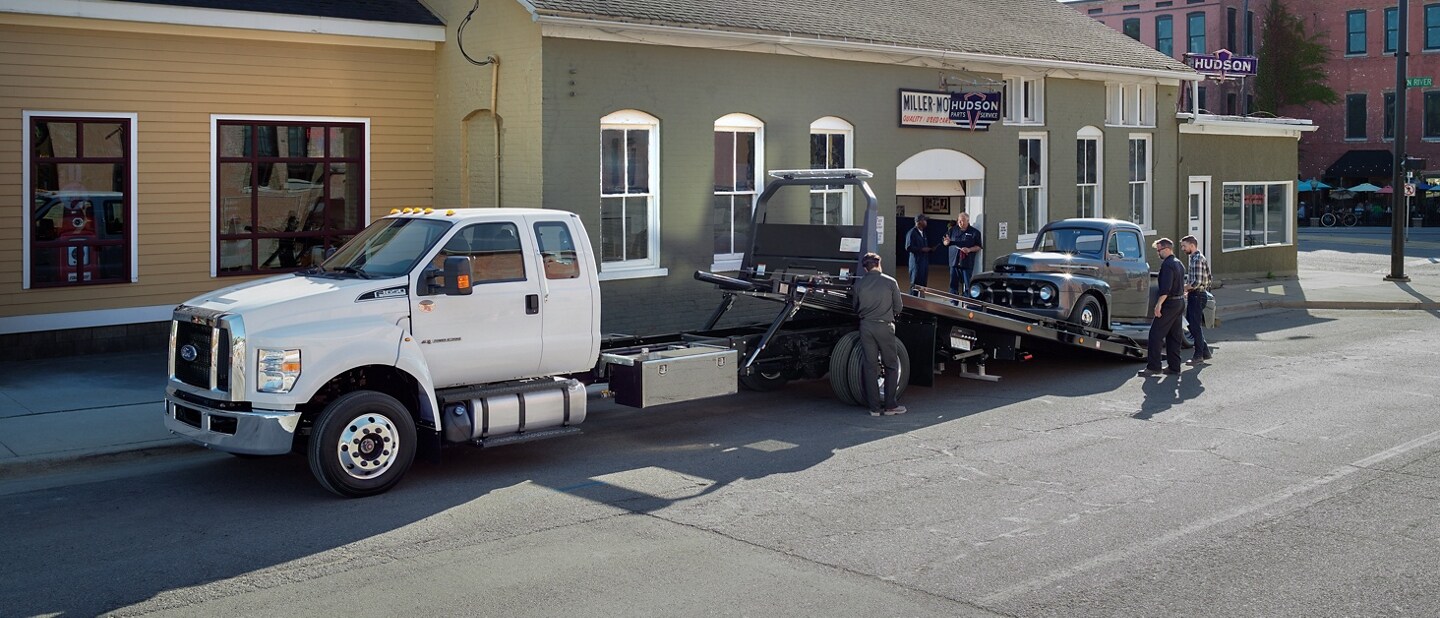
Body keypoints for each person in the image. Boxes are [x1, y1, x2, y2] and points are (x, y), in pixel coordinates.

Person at [852, 252, 906, 416]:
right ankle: (890, 405)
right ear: (879, 264)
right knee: (890, 365)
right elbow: (899, 307)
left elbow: (855, 307)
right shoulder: (890, 282)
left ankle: (874, 408)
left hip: (866, 326)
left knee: (870, 367)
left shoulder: (859, 284)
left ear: (865, 268)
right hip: (884, 326)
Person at [1139, 238, 1186, 377]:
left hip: (1169, 303)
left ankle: (1154, 367)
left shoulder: (1167, 265)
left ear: (1166, 249)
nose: (1158, 253)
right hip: (1179, 302)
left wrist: (1159, 305)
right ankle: (1174, 367)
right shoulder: (1179, 263)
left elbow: (1166, 288)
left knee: (1155, 335)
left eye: (1159, 250)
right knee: (1174, 336)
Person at [1179, 235, 1213, 365]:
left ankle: (1198, 355)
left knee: (1194, 326)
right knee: (1191, 326)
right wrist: (1188, 290)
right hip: (1195, 295)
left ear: (1192, 246)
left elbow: (1198, 281)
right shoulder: (1193, 258)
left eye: (1184, 246)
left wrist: (1185, 288)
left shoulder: (1198, 259)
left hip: (1198, 295)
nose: (1183, 248)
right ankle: (1205, 352)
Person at [942, 212, 983, 296]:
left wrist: (969, 249)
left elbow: (978, 246)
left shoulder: (975, 232)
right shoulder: (952, 230)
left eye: (963, 221)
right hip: (954, 261)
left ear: (968, 221)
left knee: (968, 284)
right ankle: (953, 302)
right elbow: (945, 241)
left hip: (966, 262)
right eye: (959, 221)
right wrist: (946, 242)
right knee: (953, 284)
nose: (961, 223)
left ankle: (967, 302)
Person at [904, 214, 933, 293]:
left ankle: (921, 302)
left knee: (923, 284)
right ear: (919, 222)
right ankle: (912, 303)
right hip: (916, 263)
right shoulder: (912, 233)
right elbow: (908, 247)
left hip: (924, 262)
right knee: (915, 284)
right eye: (924, 220)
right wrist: (922, 249)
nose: (926, 222)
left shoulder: (923, 233)